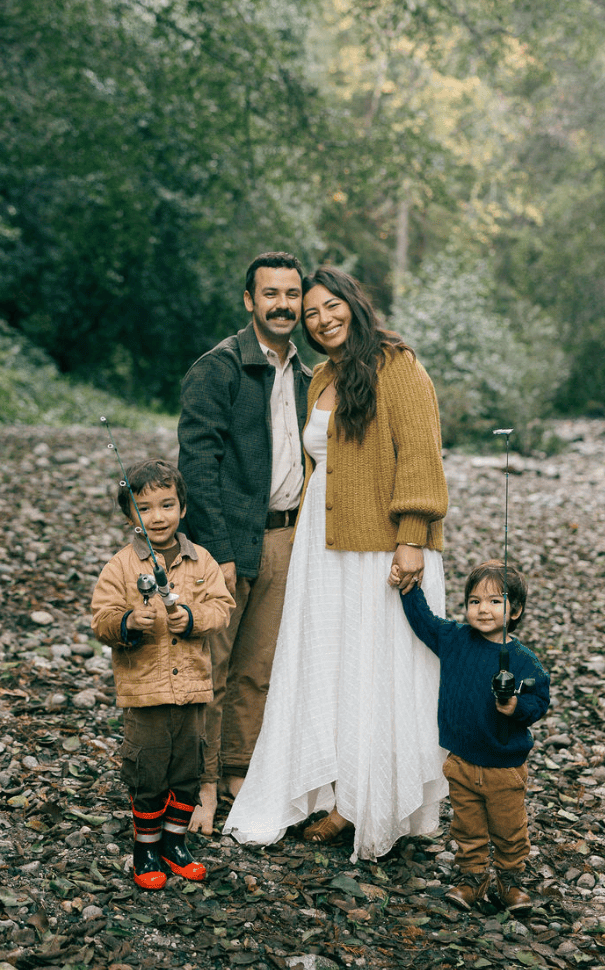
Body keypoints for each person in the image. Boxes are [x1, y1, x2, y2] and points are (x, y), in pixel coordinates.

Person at [224, 266, 449, 861]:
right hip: (322, 546)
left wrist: (413, 536)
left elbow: (421, 455)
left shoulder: (397, 365)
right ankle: (335, 786)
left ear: (354, 301)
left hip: (382, 544)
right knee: (334, 667)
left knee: (380, 669)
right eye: (313, 312)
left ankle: (366, 802)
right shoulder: (322, 374)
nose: (322, 320)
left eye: (332, 307)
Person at [178, 251, 311, 834]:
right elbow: (198, 464)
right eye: (270, 294)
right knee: (212, 665)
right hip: (228, 542)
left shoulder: (310, 375)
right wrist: (220, 550)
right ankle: (200, 783)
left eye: (291, 293)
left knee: (260, 667)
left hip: (287, 537)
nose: (282, 304)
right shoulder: (220, 368)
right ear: (249, 301)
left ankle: (238, 769)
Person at [90, 459, 234, 890]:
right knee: (148, 773)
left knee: (186, 773)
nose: (157, 516)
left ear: (183, 508)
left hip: (192, 689)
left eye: (167, 505)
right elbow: (102, 618)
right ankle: (146, 848)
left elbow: (222, 608)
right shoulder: (120, 566)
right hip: (145, 692)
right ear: (130, 515)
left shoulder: (202, 559)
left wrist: (191, 618)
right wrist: (129, 623)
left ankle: (175, 843)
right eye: (145, 507)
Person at [391, 558, 550, 912]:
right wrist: (408, 587)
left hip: (503, 767)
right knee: (467, 829)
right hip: (460, 761)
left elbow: (540, 699)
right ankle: (473, 880)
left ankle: (509, 882)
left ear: (515, 610)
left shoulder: (523, 660)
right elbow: (424, 622)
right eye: (475, 601)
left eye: (496, 601)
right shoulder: (454, 638)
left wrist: (515, 708)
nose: (483, 609)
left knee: (510, 832)